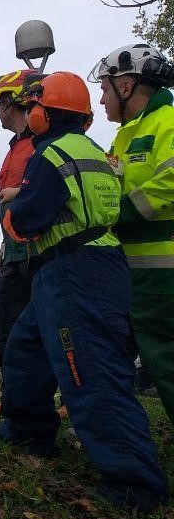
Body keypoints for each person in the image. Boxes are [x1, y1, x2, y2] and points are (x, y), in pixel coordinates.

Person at [0, 71, 168, 512]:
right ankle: (28, 427)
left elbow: (28, 220)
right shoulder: (94, 151)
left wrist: (11, 215)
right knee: (26, 349)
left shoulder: (50, 156)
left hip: (74, 270)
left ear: (46, 114)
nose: (30, 114)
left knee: (90, 371)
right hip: (88, 263)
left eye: (34, 107)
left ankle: (134, 482)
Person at [91, 44, 174, 423]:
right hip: (134, 273)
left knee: (167, 364)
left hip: (165, 274)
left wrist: (120, 213)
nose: (102, 98)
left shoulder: (168, 123)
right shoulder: (125, 136)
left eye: (106, 88)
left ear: (126, 85)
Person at [0, 70, 42, 368]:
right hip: (16, 252)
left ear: (12, 103)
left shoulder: (40, 145)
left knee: (49, 325)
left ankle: (67, 396)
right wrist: (5, 244)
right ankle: (17, 398)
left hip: (39, 253)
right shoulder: (16, 148)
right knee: (7, 321)